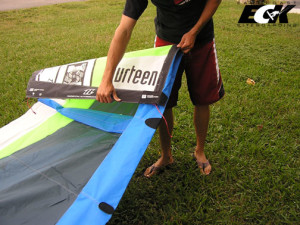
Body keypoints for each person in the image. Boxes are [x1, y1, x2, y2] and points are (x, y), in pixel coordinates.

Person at [96, 0, 225, 177]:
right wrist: (106, 78)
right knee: (164, 102)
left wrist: (194, 31)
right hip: (166, 41)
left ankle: (200, 151)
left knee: (202, 99)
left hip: (202, 39)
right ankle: (166, 155)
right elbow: (124, 28)